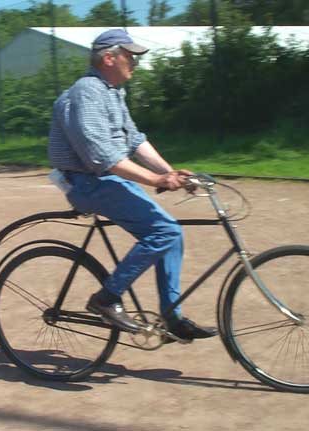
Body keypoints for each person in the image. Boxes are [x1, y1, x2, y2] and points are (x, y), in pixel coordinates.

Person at [48, 29, 217, 341]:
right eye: (130, 55)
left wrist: (172, 174)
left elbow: (134, 141)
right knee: (163, 231)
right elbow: (103, 157)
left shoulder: (111, 91)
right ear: (109, 58)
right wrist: (155, 179)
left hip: (105, 179)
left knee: (171, 233)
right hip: (87, 182)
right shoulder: (86, 93)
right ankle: (106, 298)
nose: (135, 61)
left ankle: (171, 318)